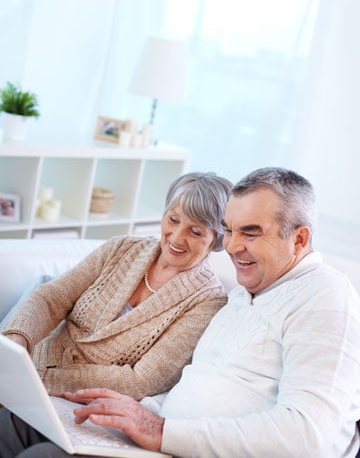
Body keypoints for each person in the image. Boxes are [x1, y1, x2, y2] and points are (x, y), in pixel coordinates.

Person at [2, 167, 360, 458]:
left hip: (177, 444)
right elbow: (189, 384)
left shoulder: (324, 296)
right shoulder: (245, 297)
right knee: (13, 426)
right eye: (232, 231)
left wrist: (159, 429)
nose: (234, 247)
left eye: (250, 233)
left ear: (298, 239)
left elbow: (307, 434)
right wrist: (139, 412)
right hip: (159, 435)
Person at [0, 171, 232, 403]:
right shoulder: (122, 248)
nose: (177, 238)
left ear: (217, 239)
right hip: (30, 359)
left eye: (195, 231)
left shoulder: (207, 301)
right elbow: (51, 297)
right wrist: (16, 342)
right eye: (173, 220)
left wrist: (42, 378)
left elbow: (142, 380)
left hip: (74, 398)